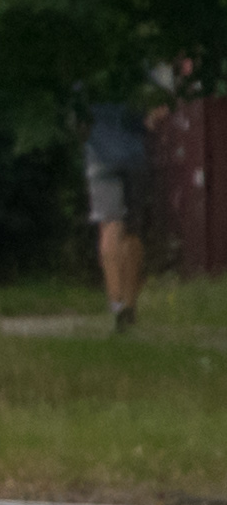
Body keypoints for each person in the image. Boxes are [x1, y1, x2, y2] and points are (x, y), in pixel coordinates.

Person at [80, 98, 154, 332]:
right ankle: (131, 304)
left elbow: (78, 115)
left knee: (110, 226)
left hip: (99, 156)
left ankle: (116, 302)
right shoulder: (135, 70)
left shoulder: (86, 72)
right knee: (133, 231)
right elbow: (150, 116)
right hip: (133, 157)